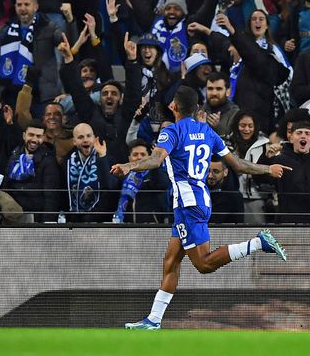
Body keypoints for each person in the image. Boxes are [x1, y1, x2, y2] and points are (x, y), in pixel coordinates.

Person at [112, 86, 290, 330]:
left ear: (173, 106)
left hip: (188, 204)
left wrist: (128, 166)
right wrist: (268, 169)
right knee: (171, 262)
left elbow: (156, 159)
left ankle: (258, 243)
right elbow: (238, 165)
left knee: (204, 264)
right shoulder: (207, 131)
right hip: (198, 199)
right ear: (197, 109)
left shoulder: (171, 131)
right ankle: (153, 320)